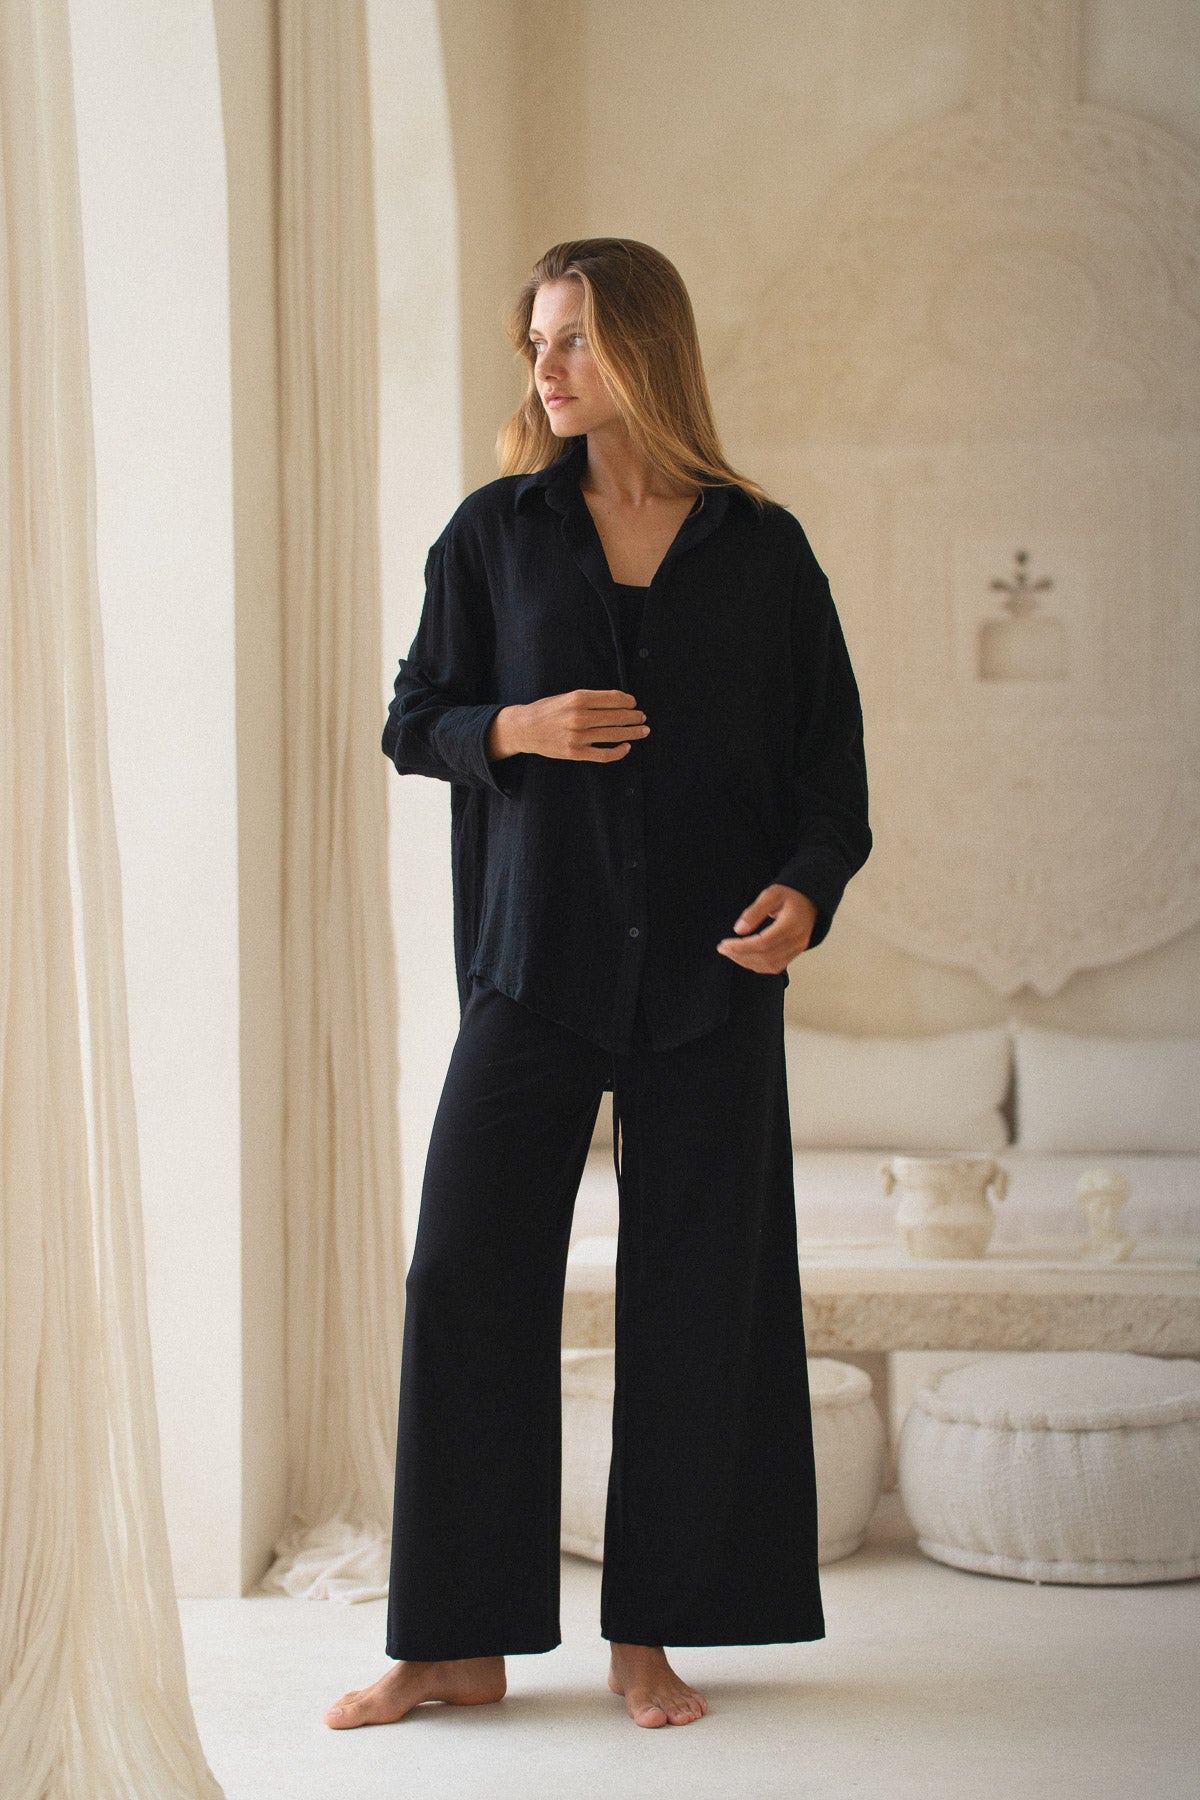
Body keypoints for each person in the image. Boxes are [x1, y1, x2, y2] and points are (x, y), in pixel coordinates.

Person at [324, 238, 871, 1733]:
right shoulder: (495, 536)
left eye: (569, 341)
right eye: (535, 346)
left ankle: (652, 1637)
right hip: (535, 963)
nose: (545, 372)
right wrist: (518, 725)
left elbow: (830, 779)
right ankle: (454, 1642)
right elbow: (413, 722)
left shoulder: (762, 548)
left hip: (709, 979)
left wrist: (806, 897)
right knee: (465, 1278)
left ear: (642, 348)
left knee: (701, 1299)